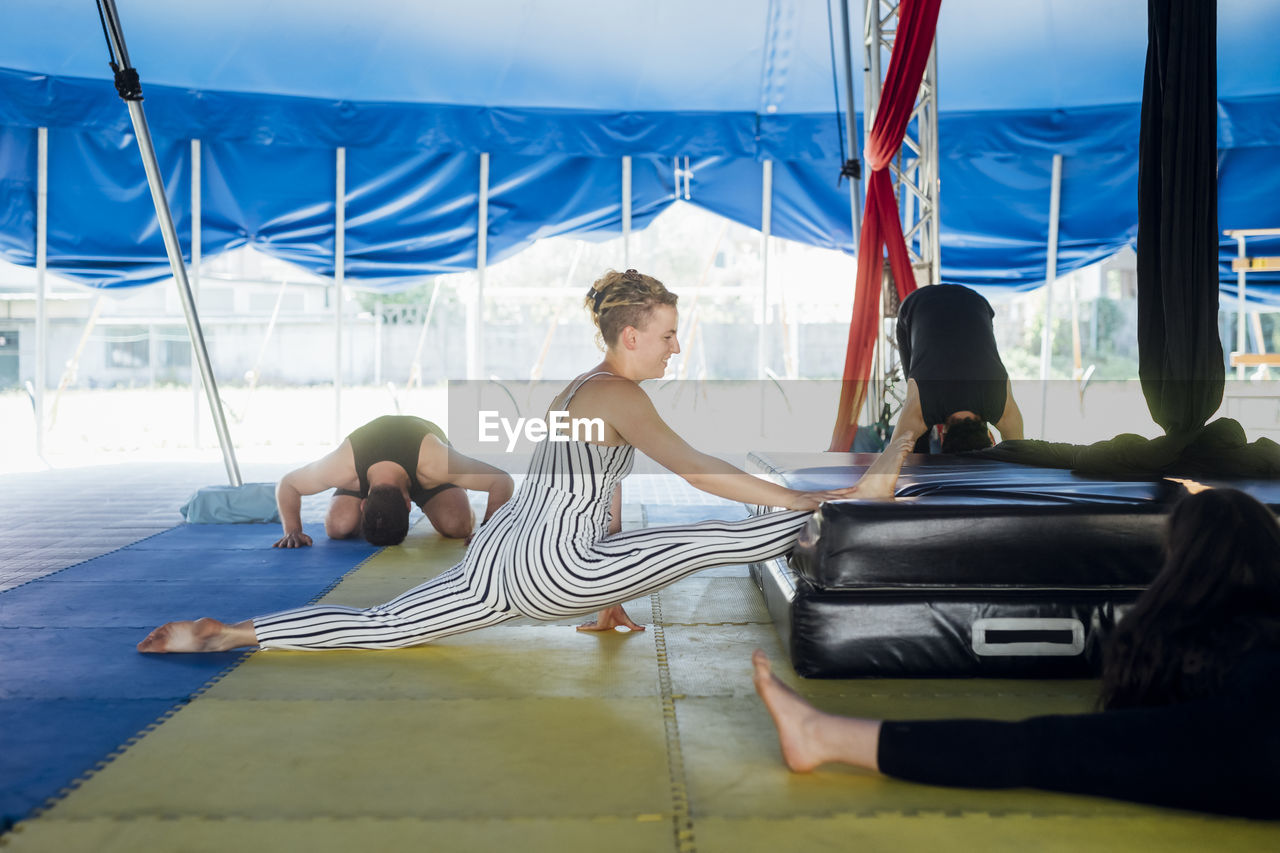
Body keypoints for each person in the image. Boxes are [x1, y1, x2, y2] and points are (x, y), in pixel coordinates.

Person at [138, 268, 917, 654]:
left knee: (385, 622)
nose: (679, 345)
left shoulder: (578, 393)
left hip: (500, 559)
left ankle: (228, 632)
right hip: (556, 572)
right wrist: (805, 498)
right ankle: (868, 483)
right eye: (670, 333)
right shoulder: (621, 396)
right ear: (631, 337)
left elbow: (588, 492)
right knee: (734, 530)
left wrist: (610, 595)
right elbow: (696, 469)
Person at [752, 486, 1280, 819]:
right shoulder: (1241, 643)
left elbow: (1063, 743)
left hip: (1257, 744)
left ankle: (820, 735)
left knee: (1042, 748)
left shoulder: (1218, 671)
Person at [272, 414, 514, 548]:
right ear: (363, 502)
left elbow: (501, 481)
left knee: (456, 527)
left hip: (427, 467)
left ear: (409, 505)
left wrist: (490, 530)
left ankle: (455, 485)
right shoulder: (342, 466)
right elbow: (288, 484)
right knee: (338, 527)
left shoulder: (437, 463)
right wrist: (292, 530)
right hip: (364, 465)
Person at [889, 283, 1023, 454]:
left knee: (917, 423)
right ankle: (919, 450)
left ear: (990, 437)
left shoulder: (1002, 409)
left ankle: (920, 455)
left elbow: (1020, 457)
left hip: (975, 303)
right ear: (943, 436)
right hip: (916, 305)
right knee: (917, 426)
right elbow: (891, 459)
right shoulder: (920, 411)